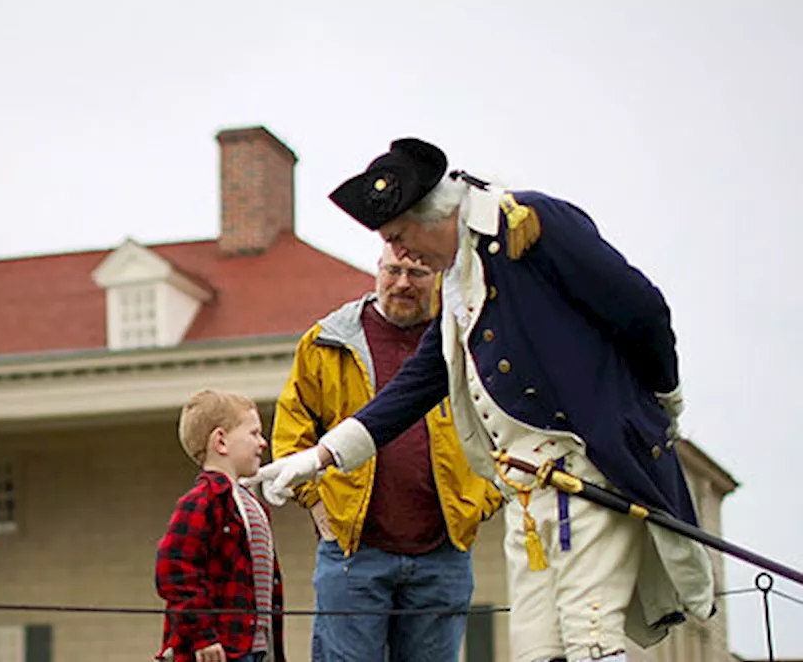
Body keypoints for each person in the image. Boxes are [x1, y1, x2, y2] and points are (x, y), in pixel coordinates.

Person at [246, 138, 716, 662]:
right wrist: (320, 457)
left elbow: (641, 308)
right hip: (528, 493)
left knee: (591, 639)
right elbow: (414, 387)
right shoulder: (459, 281)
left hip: (584, 471)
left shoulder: (532, 226)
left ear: (433, 214)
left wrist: (662, 401)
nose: (400, 255)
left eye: (399, 236)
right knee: (537, 650)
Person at [271, 241, 502, 661]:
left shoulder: (469, 345)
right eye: (393, 271)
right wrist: (321, 509)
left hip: (443, 555)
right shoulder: (326, 342)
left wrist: (477, 504)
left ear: (439, 276)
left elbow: (506, 432)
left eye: (417, 274)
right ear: (377, 269)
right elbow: (291, 436)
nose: (402, 283)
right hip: (353, 555)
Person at [155, 389, 287, 662]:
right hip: (218, 650)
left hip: (254, 648)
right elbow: (175, 570)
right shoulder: (204, 501)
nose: (262, 443)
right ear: (221, 441)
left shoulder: (252, 505)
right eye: (254, 434)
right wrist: (202, 635)